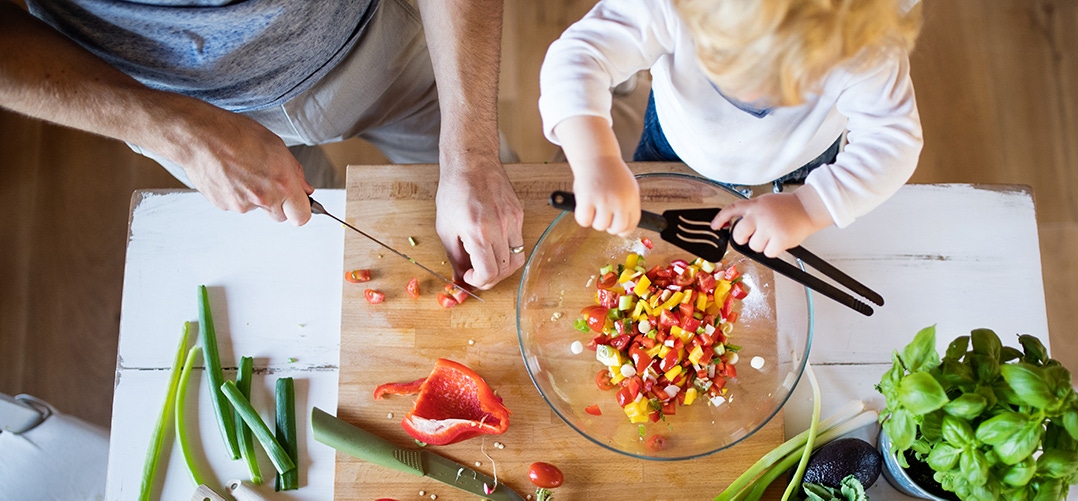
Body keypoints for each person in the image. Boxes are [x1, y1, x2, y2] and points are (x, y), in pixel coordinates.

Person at [0, 0, 524, 290]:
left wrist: (472, 155)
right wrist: (178, 132)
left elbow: (473, 162)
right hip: (174, 109)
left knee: (491, 217)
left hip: (372, 45)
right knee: (315, 272)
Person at [539, 0, 923, 259]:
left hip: (803, 163)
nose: (756, 95)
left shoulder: (864, 40)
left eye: (793, 82)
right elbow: (580, 55)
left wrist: (809, 208)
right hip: (676, 144)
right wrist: (597, 160)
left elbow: (891, 141)